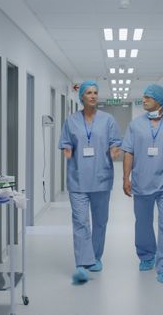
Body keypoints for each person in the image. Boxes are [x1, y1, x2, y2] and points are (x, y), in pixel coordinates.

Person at [120, 84, 163, 285]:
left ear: (159, 100)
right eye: (143, 97)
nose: (144, 100)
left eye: (148, 97)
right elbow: (129, 153)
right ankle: (146, 255)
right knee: (142, 223)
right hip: (141, 181)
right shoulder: (135, 125)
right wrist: (126, 178)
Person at [59, 80, 122, 283]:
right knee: (80, 221)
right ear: (82, 97)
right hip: (77, 179)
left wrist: (114, 150)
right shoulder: (71, 121)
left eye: (95, 92)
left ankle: (96, 256)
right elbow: (66, 142)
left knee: (100, 221)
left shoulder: (108, 120)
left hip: (101, 178)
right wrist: (67, 151)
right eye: (89, 92)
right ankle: (82, 262)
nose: (93, 95)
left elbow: (115, 141)